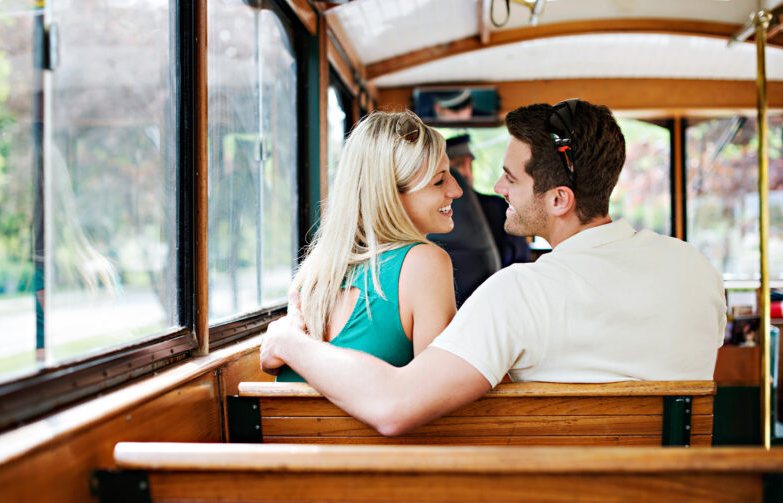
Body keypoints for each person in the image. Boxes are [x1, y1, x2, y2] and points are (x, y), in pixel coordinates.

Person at [260, 99, 727, 436]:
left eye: (511, 177)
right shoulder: (698, 271)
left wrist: (288, 341)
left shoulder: (517, 293)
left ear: (559, 200)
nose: (494, 187)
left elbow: (396, 405)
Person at [274, 110, 462, 381]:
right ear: (389, 194)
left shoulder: (312, 275)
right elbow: (438, 389)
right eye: (439, 181)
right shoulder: (426, 263)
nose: (457, 190)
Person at [428, 134, 530, 305]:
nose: (466, 173)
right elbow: (520, 262)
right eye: (458, 166)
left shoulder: (422, 216)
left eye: (468, 165)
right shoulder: (500, 208)